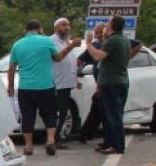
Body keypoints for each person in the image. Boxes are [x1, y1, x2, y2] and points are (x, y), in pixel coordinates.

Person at [7, 20, 65, 156]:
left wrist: (10, 86)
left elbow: (11, 68)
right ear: (40, 29)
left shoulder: (17, 45)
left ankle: (28, 146)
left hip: (25, 88)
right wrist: (71, 47)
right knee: (50, 114)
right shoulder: (47, 41)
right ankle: (50, 140)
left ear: (25, 30)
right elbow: (58, 58)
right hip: (46, 86)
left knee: (27, 116)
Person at [84, 15, 130, 154]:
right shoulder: (124, 40)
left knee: (113, 116)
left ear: (112, 25)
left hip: (111, 83)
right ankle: (108, 142)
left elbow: (98, 56)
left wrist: (89, 44)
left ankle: (117, 145)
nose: (106, 24)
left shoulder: (113, 40)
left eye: (109, 22)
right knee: (110, 115)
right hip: (120, 81)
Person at [49, 18, 83, 148]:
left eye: (68, 25)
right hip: (56, 82)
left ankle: (55, 138)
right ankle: (54, 139)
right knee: (58, 112)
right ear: (56, 27)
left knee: (63, 112)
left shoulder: (66, 41)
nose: (67, 27)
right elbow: (57, 58)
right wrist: (72, 46)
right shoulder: (51, 41)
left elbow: (70, 64)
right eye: (63, 25)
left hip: (66, 83)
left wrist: (76, 80)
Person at [76, 23, 106, 143]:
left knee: (100, 111)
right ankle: (86, 134)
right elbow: (79, 59)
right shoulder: (95, 45)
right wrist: (75, 74)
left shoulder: (109, 44)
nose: (98, 36)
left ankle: (86, 134)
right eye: (96, 33)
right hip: (100, 84)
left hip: (108, 84)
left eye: (100, 33)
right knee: (97, 110)